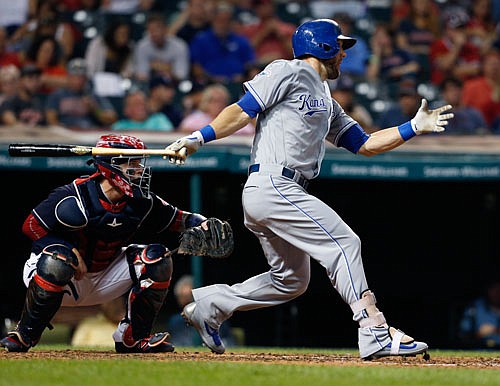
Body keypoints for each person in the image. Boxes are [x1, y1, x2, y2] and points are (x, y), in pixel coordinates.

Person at [165, 19, 454, 360]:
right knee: (345, 243)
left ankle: (211, 306)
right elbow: (241, 112)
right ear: (324, 46)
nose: (344, 54)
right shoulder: (287, 70)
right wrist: (198, 138)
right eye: (340, 47)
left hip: (279, 191)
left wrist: (412, 127)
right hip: (273, 183)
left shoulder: (328, 100)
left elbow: (365, 144)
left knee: (291, 280)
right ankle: (373, 328)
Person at [0, 133, 220, 353]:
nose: (139, 169)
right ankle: (24, 335)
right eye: (131, 163)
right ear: (110, 167)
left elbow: (179, 218)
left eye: (139, 162)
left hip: (103, 277)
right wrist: (70, 251)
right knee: (59, 259)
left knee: (158, 258)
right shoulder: (74, 195)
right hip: (59, 276)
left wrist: (204, 223)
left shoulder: (141, 201)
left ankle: (133, 338)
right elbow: (30, 226)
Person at [45, 57, 118, 129]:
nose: (78, 81)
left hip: (88, 133)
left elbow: (112, 118)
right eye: (74, 77)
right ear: (68, 77)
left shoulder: (93, 95)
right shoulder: (57, 95)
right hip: (65, 134)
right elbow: (51, 120)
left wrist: (94, 109)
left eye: (81, 77)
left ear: (86, 78)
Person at [166, 275, 236, 347]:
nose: (187, 308)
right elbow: (175, 344)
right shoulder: (175, 321)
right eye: (182, 297)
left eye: (189, 298)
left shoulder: (215, 317)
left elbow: (230, 343)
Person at [133, 12, 190, 84]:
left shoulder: (179, 46)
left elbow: (181, 75)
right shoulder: (142, 46)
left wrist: (155, 66)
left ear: (165, 29)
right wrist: (169, 68)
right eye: (151, 30)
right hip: (149, 86)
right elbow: (142, 75)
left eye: (157, 29)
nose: (154, 33)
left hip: (174, 85)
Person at [178, 83, 254, 135]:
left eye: (222, 101)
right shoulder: (195, 118)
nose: (218, 104)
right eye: (215, 101)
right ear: (206, 102)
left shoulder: (232, 118)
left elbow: (250, 131)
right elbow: (183, 133)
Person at [459, 279, 500, 349]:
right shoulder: (475, 308)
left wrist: (494, 330)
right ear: (488, 290)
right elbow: (463, 335)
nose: (497, 293)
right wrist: (478, 334)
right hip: (480, 350)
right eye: (494, 289)